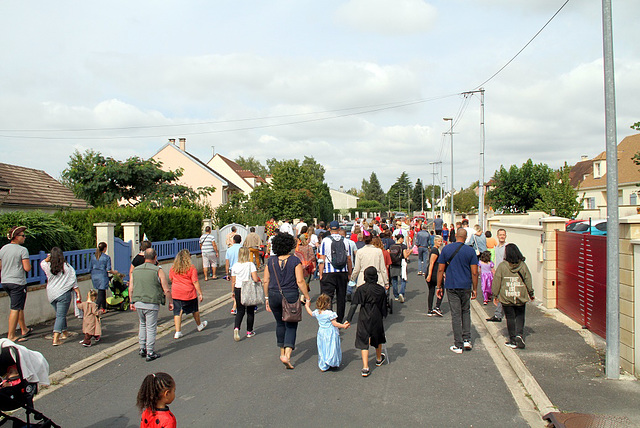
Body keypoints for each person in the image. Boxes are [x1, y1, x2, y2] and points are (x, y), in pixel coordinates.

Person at [263, 232, 311, 370]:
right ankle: (287, 355)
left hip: (273, 294)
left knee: (279, 323)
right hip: (290, 294)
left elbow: (266, 280)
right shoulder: (295, 261)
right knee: (291, 324)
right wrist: (307, 296)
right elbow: (300, 281)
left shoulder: (271, 261)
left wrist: (266, 297)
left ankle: (282, 351)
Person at [436, 228, 478, 354]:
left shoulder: (446, 249)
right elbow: (475, 272)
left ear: (454, 236)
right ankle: (466, 339)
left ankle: (458, 344)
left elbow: (440, 269)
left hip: (452, 285)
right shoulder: (470, 251)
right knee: (466, 311)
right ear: (466, 238)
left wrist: (439, 286)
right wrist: (475, 288)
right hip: (466, 285)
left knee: (455, 314)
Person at [130, 248, 173, 362]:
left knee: (142, 324)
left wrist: (131, 301)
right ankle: (150, 351)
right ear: (155, 257)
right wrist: (171, 302)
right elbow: (166, 289)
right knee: (151, 327)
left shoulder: (136, 270)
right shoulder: (158, 270)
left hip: (138, 301)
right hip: (151, 303)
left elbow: (131, 287)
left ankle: (142, 348)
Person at [345, 267, 388, 377]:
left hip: (364, 314)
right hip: (377, 314)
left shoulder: (361, 289)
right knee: (377, 337)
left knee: (364, 338)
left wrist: (348, 319)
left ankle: (365, 367)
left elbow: (354, 305)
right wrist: (384, 314)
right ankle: (378, 358)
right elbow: (384, 305)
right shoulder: (380, 289)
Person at [492, 244, 534, 349]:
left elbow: (497, 280)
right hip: (520, 295)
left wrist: (495, 294)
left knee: (510, 317)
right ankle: (519, 334)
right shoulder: (523, 265)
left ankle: (512, 339)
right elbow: (528, 279)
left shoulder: (502, 266)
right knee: (520, 315)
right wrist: (531, 293)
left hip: (506, 296)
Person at [40, 247, 81, 346]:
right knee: (60, 316)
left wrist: (48, 258)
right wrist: (78, 292)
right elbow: (73, 280)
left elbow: (42, 263)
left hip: (51, 294)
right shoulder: (67, 267)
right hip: (64, 293)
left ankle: (65, 332)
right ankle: (56, 339)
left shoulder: (48, 266)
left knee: (60, 314)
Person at [0, 226, 32, 343]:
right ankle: (11, 335)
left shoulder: (3, 249)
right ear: (16, 237)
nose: (24, 238)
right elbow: (27, 268)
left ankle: (24, 329)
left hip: (5, 281)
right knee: (15, 308)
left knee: (18, 306)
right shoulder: (22, 250)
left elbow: (0, 266)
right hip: (17, 282)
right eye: (23, 236)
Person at [304, 294, 350, 372]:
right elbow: (335, 324)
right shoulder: (330, 314)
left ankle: (323, 364)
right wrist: (343, 326)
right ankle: (332, 361)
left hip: (322, 332)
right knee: (332, 347)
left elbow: (311, 313)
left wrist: (307, 306)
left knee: (323, 348)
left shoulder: (317, 312)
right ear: (328, 304)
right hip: (331, 333)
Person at [318, 221, 353, 322]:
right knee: (341, 296)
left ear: (329, 229)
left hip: (329, 271)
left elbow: (322, 258)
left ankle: (328, 317)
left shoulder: (325, 240)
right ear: (339, 229)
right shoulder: (346, 241)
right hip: (343, 271)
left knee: (327, 296)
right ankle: (339, 319)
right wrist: (349, 273)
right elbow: (349, 259)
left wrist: (321, 273)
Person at [169, 249, 207, 339]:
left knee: (178, 312)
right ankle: (199, 325)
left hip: (176, 292)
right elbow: (195, 281)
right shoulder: (191, 268)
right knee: (194, 310)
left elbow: (171, 278)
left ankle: (178, 331)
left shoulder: (173, 268)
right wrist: (200, 293)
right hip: (189, 292)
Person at [231, 247, 260, 341]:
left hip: (238, 288)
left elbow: (233, 281)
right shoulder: (250, 264)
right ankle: (249, 331)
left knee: (240, 310)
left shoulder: (235, 266)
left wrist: (232, 291)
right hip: (248, 288)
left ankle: (236, 328)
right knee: (250, 311)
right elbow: (255, 278)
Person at [89, 242, 117, 314]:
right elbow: (108, 269)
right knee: (101, 293)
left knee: (102, 291)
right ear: (105, 248)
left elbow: (89, 268)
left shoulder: (93, 256)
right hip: (102, 276)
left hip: (94, 276)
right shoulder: (106, 257)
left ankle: (104, 307)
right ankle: (96, 309)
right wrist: (114, 272)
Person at [487, 229, 508, 323]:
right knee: (499, 293)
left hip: (504, 273)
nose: (502, 236)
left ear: (505, 236)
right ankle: (498, 314)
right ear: (497, 236)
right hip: (498, 273)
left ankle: (498, 314)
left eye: (503, 235)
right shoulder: (497, 247)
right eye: (500, 235)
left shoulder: (507, 247)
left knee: (501, 293)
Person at [388, 233, 411, 303]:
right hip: (401, 263)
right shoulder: (403, 246)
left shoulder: (392, 246)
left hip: (393, 264)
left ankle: (396, 295)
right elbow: (405, 255)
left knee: (394, 280)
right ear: (400, 239)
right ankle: (401, 293)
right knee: (403, 279)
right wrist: (410, 252)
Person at [425, 236, 444, 316]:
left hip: (433, 273)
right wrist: (429, 275)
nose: (440, 243)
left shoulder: (435, 250)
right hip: (434, 273)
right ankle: (437, 307)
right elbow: (431, 263)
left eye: (441, 241)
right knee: (441, 288)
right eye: (439, 241)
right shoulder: (435, 251)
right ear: (435, 241)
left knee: (431, 291)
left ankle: (430, 309)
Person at [226, 234, 243, 314]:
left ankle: (235, 306)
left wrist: (227, 273)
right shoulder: (242, 249)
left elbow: (227, 262)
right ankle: (236, 306)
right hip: (242, 268)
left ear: (233, 241)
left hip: (233, 270)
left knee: (235, 286)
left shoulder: (229, 250)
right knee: (242, 287)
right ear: (241, 240)